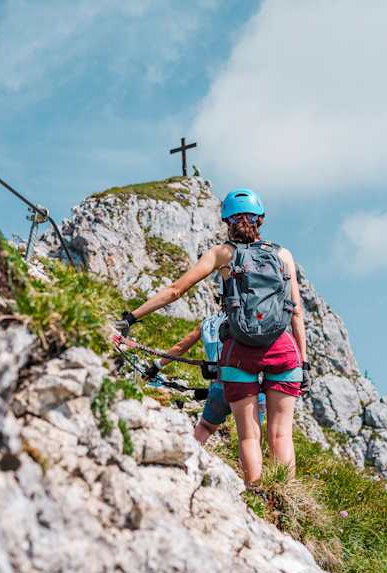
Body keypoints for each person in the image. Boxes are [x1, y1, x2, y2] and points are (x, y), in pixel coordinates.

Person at [114, 188, 310, 483]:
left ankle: (256, 494)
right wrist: (304, 363)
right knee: (281, 434)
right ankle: (287, 503)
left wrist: (130, 318)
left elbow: (175, 291)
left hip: (239, 352)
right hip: (283, 349)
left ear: (226, 221)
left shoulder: (223, 254)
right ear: (261, 220)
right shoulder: (283, 255)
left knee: (248, 437)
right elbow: (296, 313)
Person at [143, 311, 266, 444]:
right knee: (250, 438)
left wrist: (156, 366)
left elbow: (179, 348)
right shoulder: (246, 317)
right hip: (249, 387)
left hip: (219, 386)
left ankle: (190, 455)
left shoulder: (206, 323)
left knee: (205, 427)